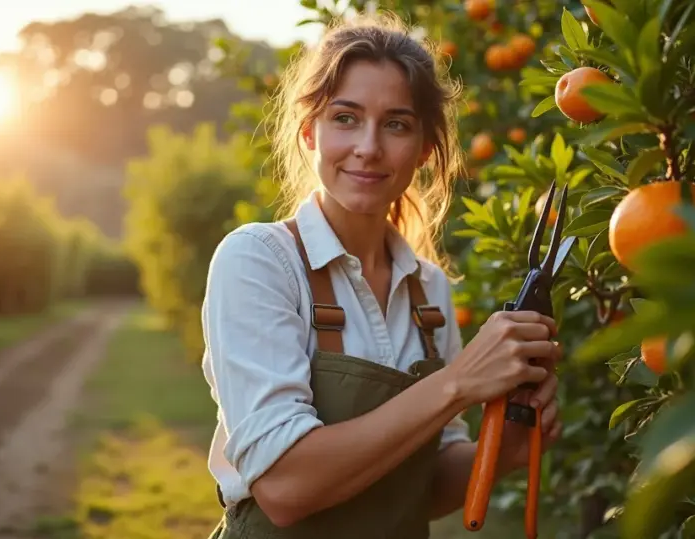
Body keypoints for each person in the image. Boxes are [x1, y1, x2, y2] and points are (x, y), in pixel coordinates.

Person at [200, 12, 563, 539]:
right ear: (309, 133)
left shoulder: (430, 292)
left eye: (396, 124)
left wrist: (505, 448)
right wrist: (457, 384)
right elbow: (283, 487)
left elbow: (423, 483)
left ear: (423, 150)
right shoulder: (259, 261)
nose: (369, 147)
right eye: (345, 118)